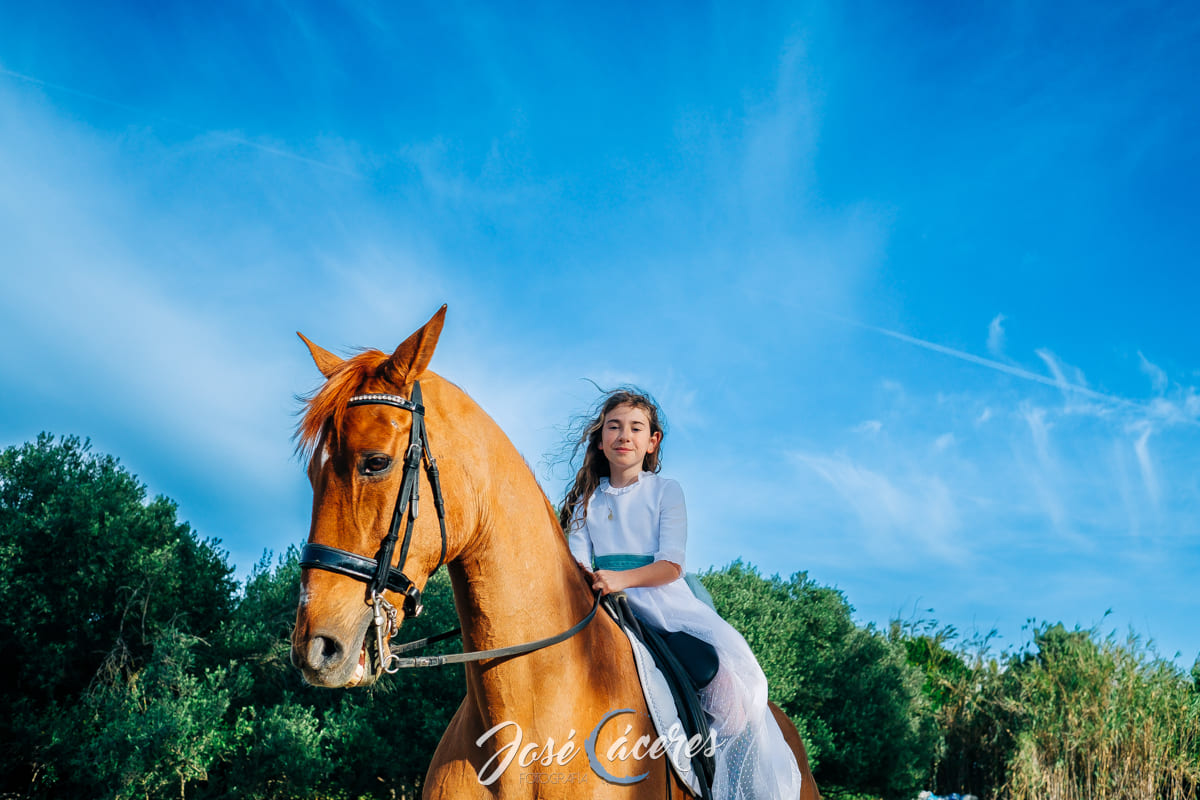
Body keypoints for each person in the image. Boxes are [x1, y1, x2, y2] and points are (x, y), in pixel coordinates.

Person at [559, 388, 803, 800]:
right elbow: (577, 564)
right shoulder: (586, 502)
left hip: (663, 605)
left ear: (651, 442)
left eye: (636, 428)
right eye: (614, 427)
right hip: (604, 608)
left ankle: (710, 765)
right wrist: (596, 584)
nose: (624, 435)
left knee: (720, 676)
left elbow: (671, 565)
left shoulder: (665, 491)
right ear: (600, 440)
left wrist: (620, 579)